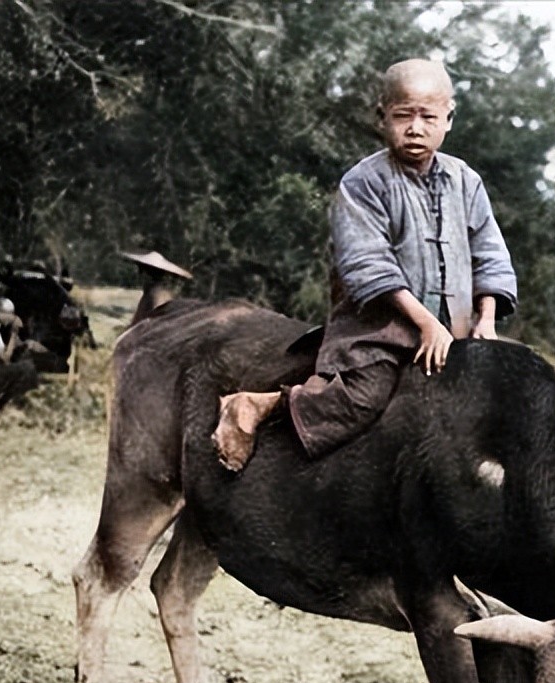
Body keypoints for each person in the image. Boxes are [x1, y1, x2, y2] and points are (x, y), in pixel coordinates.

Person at [213, 58, 518, 471]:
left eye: (428, 116)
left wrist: (487, 320)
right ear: (381, 118)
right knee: (363, 396)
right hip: (380, 331)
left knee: (512, 393)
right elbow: (368, 264)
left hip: (457, 332)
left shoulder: (466, 181)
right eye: (402, 116)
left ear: (449, 118)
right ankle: (260, 404)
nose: (415, 127)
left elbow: (490, 253)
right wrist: (426, 323)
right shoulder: (363, 182)